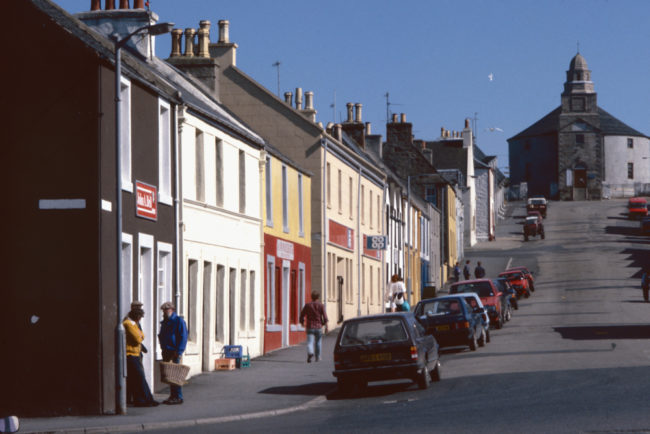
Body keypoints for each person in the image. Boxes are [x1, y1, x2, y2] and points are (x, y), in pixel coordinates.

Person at [123, 306, 158, 407]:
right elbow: (138, 339)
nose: (140, 320)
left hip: (135, 354)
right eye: (140, 317)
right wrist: (140, 334)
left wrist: (140, 334)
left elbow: (142, 335)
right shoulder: (128, 324)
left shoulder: (133, 324)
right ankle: (143, 400)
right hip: (130, 354)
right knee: (139, 377)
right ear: (137, 317)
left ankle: (147, 399)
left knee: (138, 378)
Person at [158, 302, 188, 405]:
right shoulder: (165, 322)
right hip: (166, 350)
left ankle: (178, 396)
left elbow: (183, 337)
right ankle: (172, 395)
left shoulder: (178, 321)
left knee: (176, 374)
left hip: (174, 351)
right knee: (169, 375)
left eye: (166, 310)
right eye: (163, 310)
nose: (164, 312)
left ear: (172, 309)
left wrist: (179, 351)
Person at [300, 291, 329, 363]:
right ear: (318, 297)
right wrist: (326, 326)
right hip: (318, 326)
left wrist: (302, 322)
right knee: (318, 342)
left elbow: (302, 314)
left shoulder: (307, 305)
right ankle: (318, 357)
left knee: (310, 342)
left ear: (311, 297)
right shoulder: (321, 305)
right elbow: (325, 317)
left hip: (310, 326)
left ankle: (310, 352)